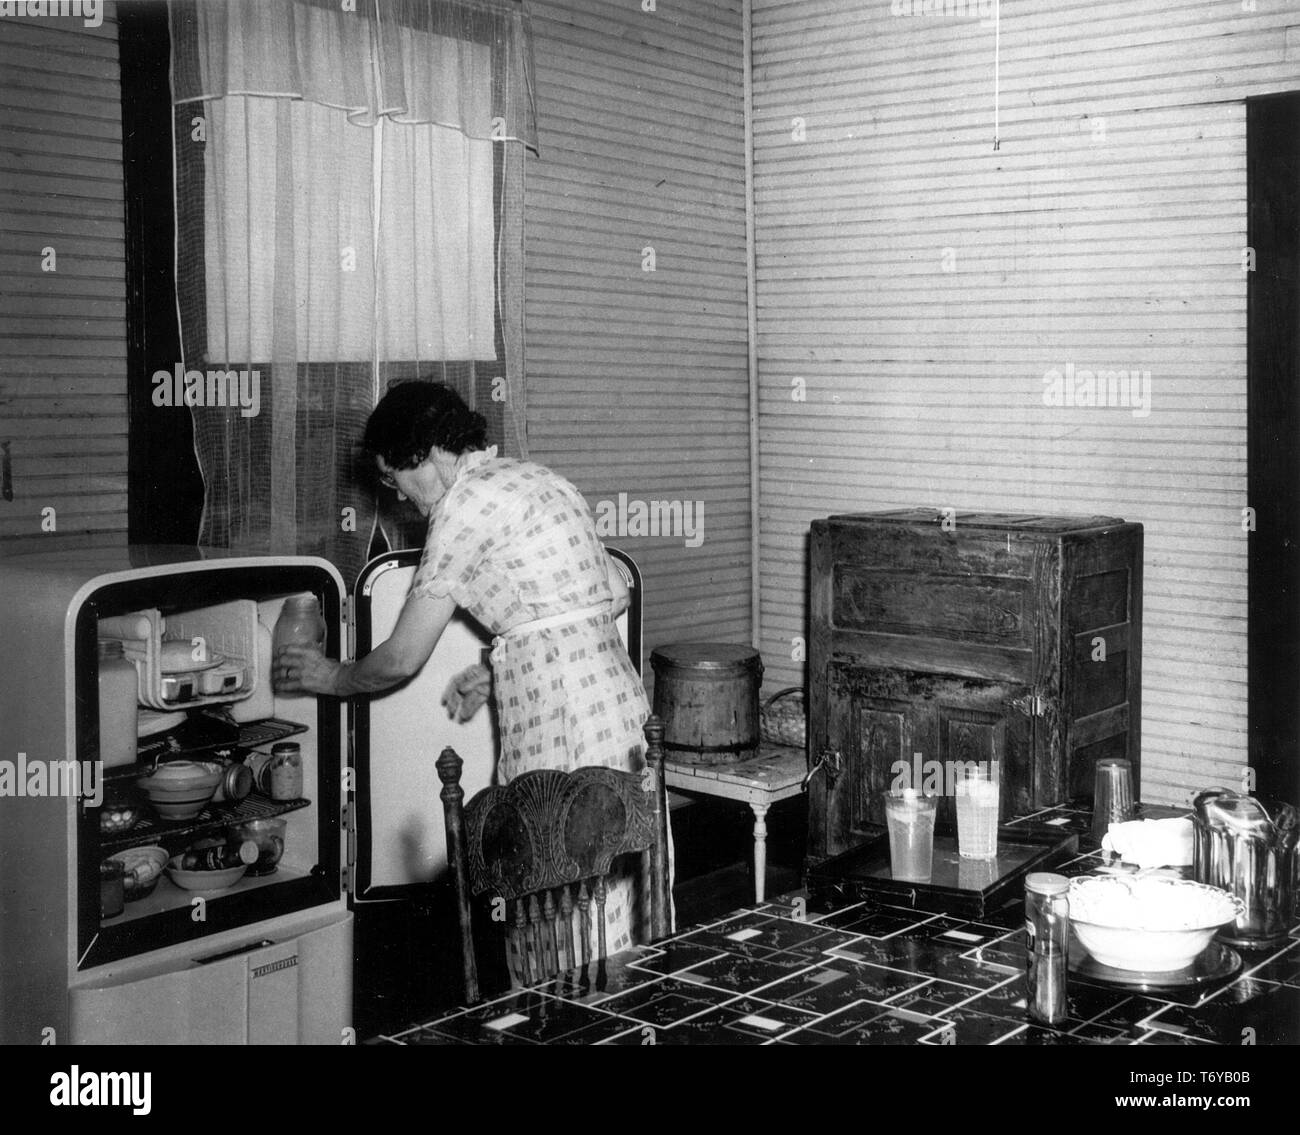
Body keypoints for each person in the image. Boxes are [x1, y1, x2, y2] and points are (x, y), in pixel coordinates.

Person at [274, 381, 662, 963]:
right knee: (626, 902)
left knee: (562, 906)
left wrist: (330, 677)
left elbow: (403, 657)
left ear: (424, 455)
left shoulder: (463, 504)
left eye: (392, 477)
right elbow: (610, 592)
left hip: (563, 724)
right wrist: (520, 658)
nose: (400, 497)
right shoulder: (538, 478)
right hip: (618, 707)